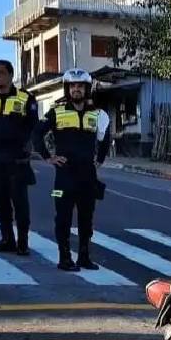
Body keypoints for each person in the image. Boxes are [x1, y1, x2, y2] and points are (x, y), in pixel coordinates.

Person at [36, 68, 111, 271]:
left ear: (87, 89)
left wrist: (100, 160)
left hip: (87, 176)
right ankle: (64, 258)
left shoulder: (98, 114)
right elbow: (37, 134)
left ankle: (84, 257)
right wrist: (49, 157)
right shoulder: (56, 112)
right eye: (72, 86)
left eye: (80, 86)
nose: (76, 90)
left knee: (87, 220)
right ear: (67, 89)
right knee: (63, 218)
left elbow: (105, 138)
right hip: (64, 176)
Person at [0, 59, 39, 255]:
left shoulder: (25, 98)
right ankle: (7, 239)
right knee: (0, 200)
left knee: (20, 201)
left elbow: (33, 125)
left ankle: (23, 242)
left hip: (16, 158)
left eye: (1, 73)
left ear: (10, 75)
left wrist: (27, 146)